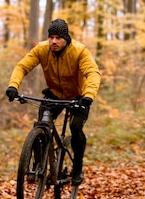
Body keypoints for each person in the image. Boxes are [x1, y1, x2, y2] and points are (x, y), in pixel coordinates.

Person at [6, 19, 101, 185]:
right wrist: (13, 86)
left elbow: (93, 73)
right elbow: (22, 67)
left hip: (79, 96)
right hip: (55, 94)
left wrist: (88, 96)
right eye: (51, 37)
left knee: (75, 126)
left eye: (58, 37)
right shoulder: (42, 50)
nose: (54, 41)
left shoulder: (79, 51)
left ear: (66, 38)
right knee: (41, 125)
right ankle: (38, 164)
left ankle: (77, 166)